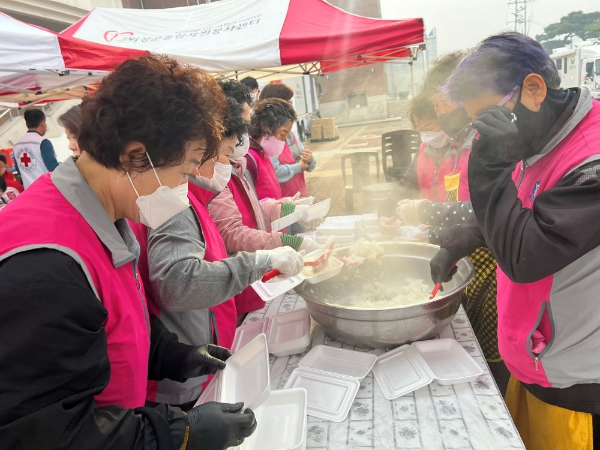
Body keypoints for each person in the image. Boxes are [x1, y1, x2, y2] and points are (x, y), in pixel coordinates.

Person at [0, 55, 257, 450]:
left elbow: (115, 323)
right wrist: (180, 433)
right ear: (135, 156)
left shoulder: (105, 215)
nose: (185, 190)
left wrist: (175, 355)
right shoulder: (46, 264)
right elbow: (47, 430)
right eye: (184, 172)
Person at [431, 32, 600, 450]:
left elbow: (526, 254)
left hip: (575, 385)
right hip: (535, 362)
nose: (480, 133)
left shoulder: (592, 160)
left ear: (533, 89)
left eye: (487, 116)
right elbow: (522, 204)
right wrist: (462, 239)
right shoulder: (539, 134)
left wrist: (486, 168)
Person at [131, 95, 304, 408]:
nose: (227, 163)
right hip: (182, 371)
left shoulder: (192, 197)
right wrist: (262, 259)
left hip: (196, 355)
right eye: (224, 153)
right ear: (199, 152)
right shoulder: (174, 202)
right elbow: (178, 284)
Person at [209, 83, 321, 317]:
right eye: (242, 124)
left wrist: (287, 208)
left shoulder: (238, 163)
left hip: (257, 268)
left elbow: (254, 207)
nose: (245, 130)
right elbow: (231, 232)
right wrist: (286, 242)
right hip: (243, 277)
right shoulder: (217, 171)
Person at [259, 82, 317, 199]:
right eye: (289, 103)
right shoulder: (267, 139)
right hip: (281, 202)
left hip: (298, 197)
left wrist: (310, 160)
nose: (292, 107)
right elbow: (273, 172)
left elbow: (305, 161)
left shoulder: (290, 135)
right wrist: (298, 167)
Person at [246, 98, 296, 201]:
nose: (283, 141)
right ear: (265, 126)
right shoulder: (249, 159)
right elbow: (248, 202)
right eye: (282, 134)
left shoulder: (264, 154)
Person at [13, 109, 59, 188]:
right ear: (42, 123)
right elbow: (53, 167)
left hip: (29, 190)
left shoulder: (17, 145)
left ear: (27, 125)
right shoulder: (43, 142)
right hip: (46, 189)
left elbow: (18, 169)